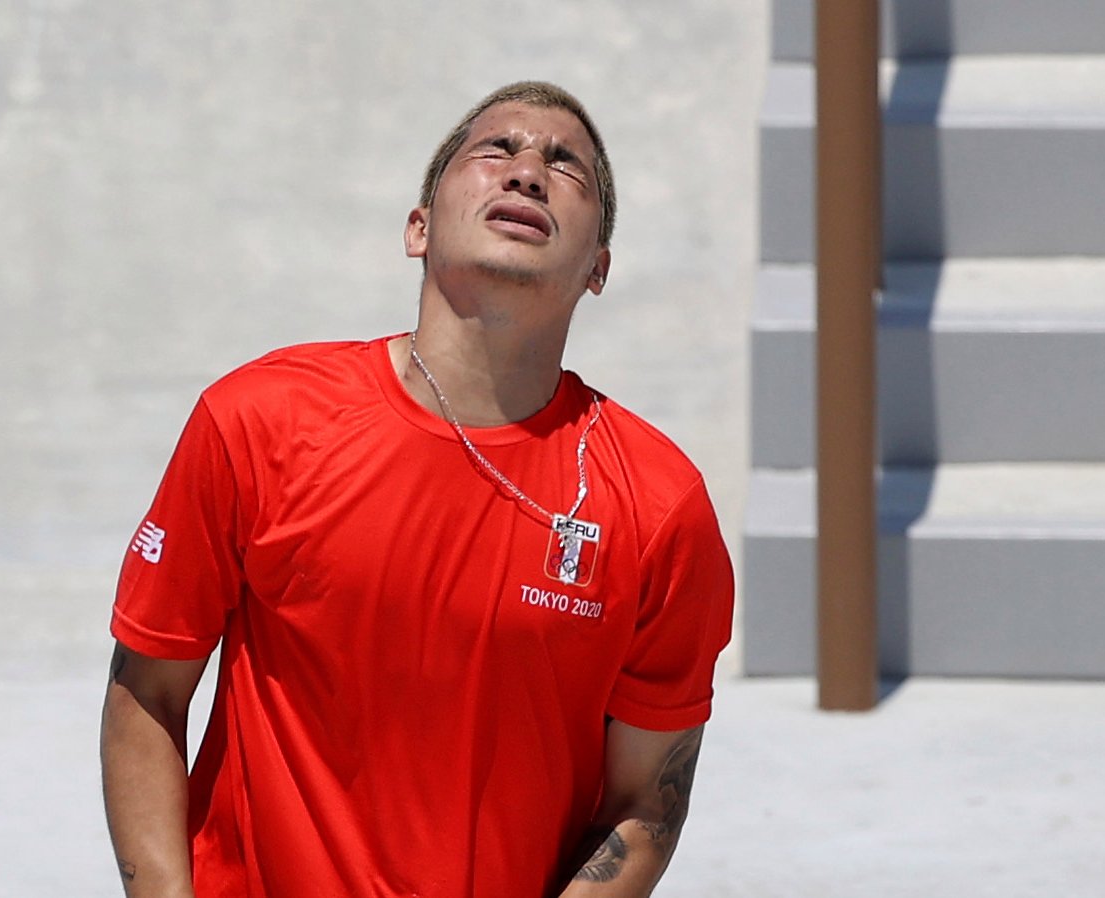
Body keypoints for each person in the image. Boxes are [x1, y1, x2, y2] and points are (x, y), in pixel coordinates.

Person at [100, 81, 735, 898]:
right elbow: (147, 692)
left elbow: (646, 800)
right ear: (418, 227)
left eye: (564, 165)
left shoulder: (659, 505)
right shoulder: (259, 420)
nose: (527, 171)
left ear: (598, 269)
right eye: (495, 149)